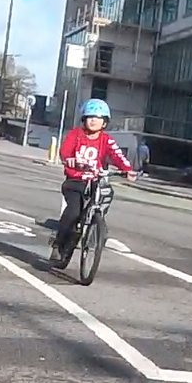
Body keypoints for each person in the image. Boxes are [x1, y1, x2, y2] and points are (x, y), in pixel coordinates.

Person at [50, 98, 137, 265]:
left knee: (105, 196)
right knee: (74, 211)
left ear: (105, 122)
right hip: (75, 182)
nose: (93, 121)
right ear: (83, 119)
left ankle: (96, 227)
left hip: (95, 182)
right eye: (90, 117)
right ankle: (58, 242)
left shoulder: (106, 140)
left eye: (98, 118)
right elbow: (65, 151)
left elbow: (117, 155)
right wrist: (69, 160)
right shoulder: (76, 134)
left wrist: (128, 170)